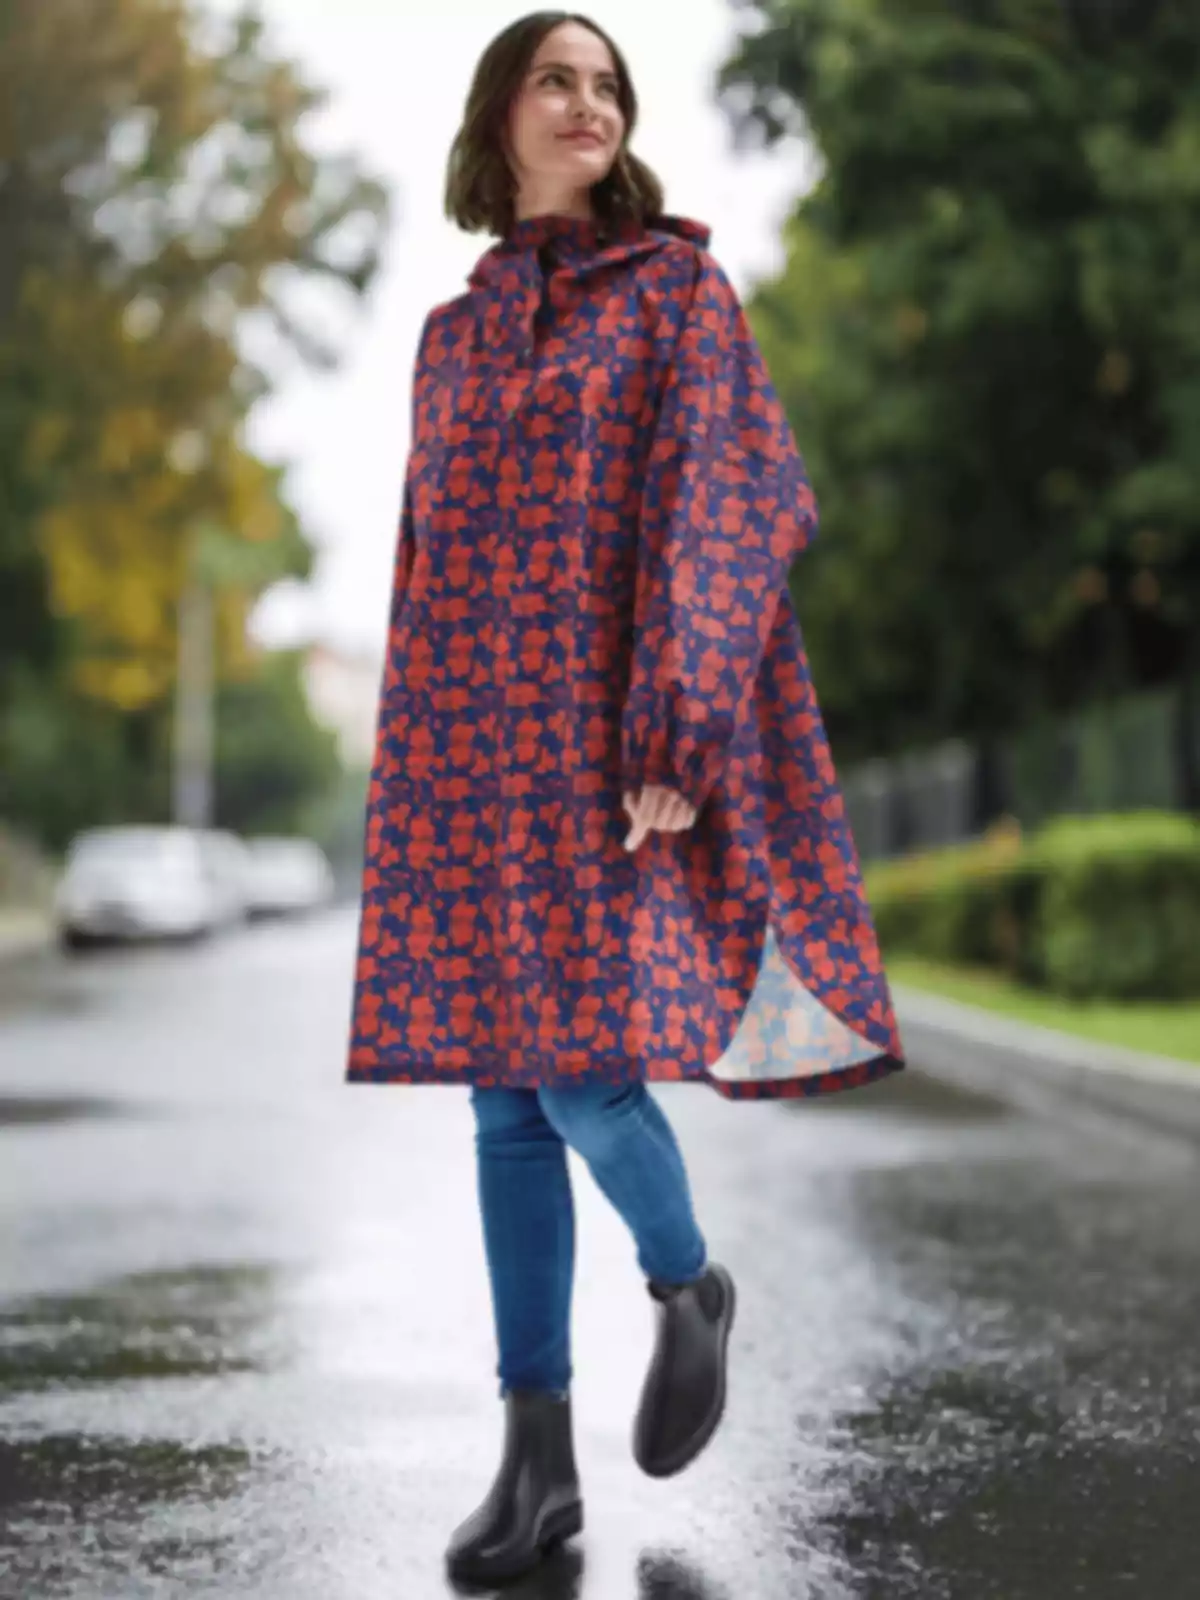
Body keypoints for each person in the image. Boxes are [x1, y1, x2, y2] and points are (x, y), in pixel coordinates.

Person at [345, 9, 906, 1587]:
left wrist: (676, 730)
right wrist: (422, 779)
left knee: (585, 1076)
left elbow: (725, 509)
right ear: (500, 115)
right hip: (478, 766)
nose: (588, 104)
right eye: (557, 80)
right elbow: (426, 566)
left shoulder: (674, 294)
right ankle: (536, 1462)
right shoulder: (451, 337)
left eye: (608, 85)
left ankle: (687, 1284)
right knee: (501, 1103)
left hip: (611, 756)